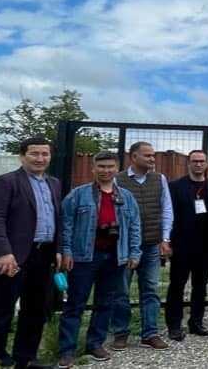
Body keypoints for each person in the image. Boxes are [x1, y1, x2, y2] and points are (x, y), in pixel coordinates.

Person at [57, 152, 141, 369]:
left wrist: (134, 252)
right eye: (101, 166)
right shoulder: (77, 195)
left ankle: (95, 343)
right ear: (93, 169)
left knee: (105, 303)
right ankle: (67, 350)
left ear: (117, 168)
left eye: (110, 166)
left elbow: (134, 226)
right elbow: (66, 225)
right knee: (75, 304)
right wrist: (66, 251)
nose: (106, 171)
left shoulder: (126, 197)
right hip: (84, 257)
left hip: (114, 256)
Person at [0, 136, 62, 369]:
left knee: (36, 310)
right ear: (22, 156)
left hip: (44, 255)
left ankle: (25, 358)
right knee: (3, 309)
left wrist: (57, 249)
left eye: (45, 154)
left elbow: (58, 219)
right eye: (34, 154)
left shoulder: (54, 183)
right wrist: (3, 252)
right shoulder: (6, 182)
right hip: (12, 257)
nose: (40, 158)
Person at [111, 141, 172, 351]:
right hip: (124, 246)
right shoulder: (117, 180)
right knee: (121, 291)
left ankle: (150, 333)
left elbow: (166, 209)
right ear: (133, 157)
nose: (152, 159)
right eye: (147, 156)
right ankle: (120, 333)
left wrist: (165, 238)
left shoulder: (159, 179)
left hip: (151, 244)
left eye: (153, 155)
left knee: (151, 291)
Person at [165, 150, 208, 341]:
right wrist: (167, 241)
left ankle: (196, 322)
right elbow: (169, 215)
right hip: (182, 245)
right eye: (194, 161)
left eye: (202, 161)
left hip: (206, 245)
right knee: (177, 286)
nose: (198, 164)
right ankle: (174, 325)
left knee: (201, 286)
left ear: (206, 164)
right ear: (188, 163)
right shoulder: (175, 187)